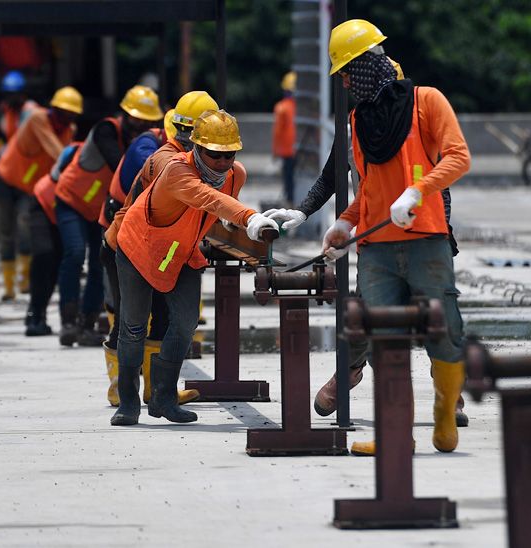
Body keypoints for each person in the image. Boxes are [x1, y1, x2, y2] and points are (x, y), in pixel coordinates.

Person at [269, 19, 470, 454]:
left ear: (365, 65)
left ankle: (444, 413)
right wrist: (343, 224)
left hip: (426, 238)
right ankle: (395, 434)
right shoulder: (359, 122)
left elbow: (458, 158)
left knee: (444, 331)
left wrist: (418, 191)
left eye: (346, 72)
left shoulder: (427, 102)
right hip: (377, 248)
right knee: (382, 338)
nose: (344, 82)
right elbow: (368, 189)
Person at [110, 109, 279, 426]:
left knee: (186, 322)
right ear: (197, 148)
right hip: (139, 248)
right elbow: (209, 199)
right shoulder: (177, 170)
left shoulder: (235, 175)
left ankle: (164, 398)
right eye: (214, 154)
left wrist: (247, 225)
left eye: (229, 155)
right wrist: (250, 217)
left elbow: (221, 210)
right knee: (133, 327)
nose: (223, 162)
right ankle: (128, 402)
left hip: (182, 251)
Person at [100, 91, 219, 407]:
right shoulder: (160, 155)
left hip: (155, 249)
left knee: (163, 317)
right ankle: (120, 390)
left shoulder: (186, 159)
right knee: (128, 320)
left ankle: (154, 391)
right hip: (123, 245)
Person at [54, 85, 163, 347]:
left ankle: (86, 324)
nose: (140, 126)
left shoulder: (140, 143)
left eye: (147, 122)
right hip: (71, 200)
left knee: (98, 264)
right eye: (136, 119)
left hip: (97, 210)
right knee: (75, 253)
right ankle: (68, 322)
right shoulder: (106, 130)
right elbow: (120, 164)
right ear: (125, 114)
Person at [0, 86, 82, 303]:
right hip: (6, 178)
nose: (66, 118)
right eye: (64, 112)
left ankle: (23, 280)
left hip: (29, 187)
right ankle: (8, 287)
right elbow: (58, 152)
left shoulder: (68, 129)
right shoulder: (37, 119)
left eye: (71, 114)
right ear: (54, 109)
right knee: (6, 232)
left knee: (25, 228)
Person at [25, 142, 81, 336]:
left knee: (58, 261)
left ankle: (40, 313)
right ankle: (35, 313)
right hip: (44, 201)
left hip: (69, 209)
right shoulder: (74, 152)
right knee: (44, 254)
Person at [272, 71, 298, 206]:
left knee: (289, 180)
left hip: (287, 151)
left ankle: (291, 202)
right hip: (301, 149)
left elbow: (277, 132)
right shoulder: (303, 108)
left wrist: (275, 152)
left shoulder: (281, 107)